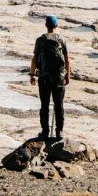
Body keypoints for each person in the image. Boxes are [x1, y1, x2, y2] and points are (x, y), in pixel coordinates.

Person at [29, 14, 70, 142]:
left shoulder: (40, 40)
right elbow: (67, 60)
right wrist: (67, 75)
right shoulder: (62, 39)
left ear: (46, 25)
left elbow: (34, 59)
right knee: (59, 105)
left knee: (44, 105)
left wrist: (32, 74)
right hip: (59, 78)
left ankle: (45, 132)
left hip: (44, 77)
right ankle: (59, 131)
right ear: (56, 25)